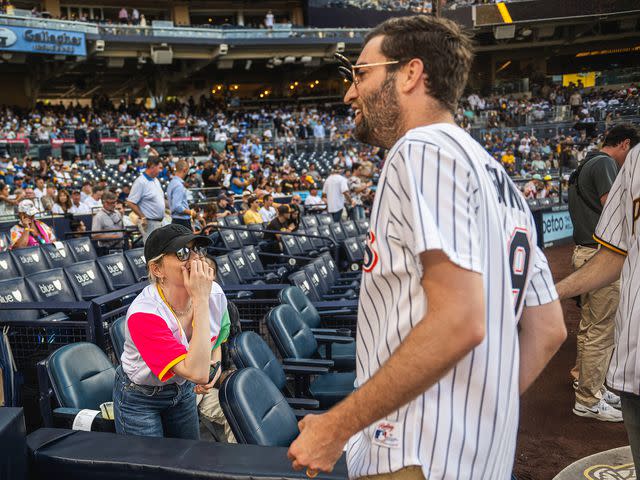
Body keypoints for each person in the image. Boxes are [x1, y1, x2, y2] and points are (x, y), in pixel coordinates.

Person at [286, 15, 566, 479]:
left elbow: (459, 319)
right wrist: (479, 414)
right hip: (480, 456)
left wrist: (336, 426)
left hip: (414, 452)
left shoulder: (420, 149)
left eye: (361, 74)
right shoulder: (502, 180)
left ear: (411, 73)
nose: (349, 93)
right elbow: (549, 328)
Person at [556, 143, 640, 473]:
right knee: (595, 330)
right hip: (634, 373)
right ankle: (590, 395)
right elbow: (614, 254)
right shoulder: (634, 161)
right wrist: (551, 293)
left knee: (594, 330)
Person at [114, 224, 230, 439]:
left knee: (187, 457)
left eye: (197, 250)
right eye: (183, 253)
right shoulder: (144, 314)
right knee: (151, 467)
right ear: (157, 269)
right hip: (141, 397)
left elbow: (217, 339)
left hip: (182, 390)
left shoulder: (214, 293)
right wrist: (200, 300)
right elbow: (196, 373)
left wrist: (215, 363)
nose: (195, 259)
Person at [127, 157, 166, 243]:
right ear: (152, 166)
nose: (161, 170)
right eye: (159, 167)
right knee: (152, 251)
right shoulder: (140, 181)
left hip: (160, 222)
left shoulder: (156, 180)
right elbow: (130, 202)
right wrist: (142, 216)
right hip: (149, 223)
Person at [167, 159, 196, 230]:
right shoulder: (178, 185)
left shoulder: (172, 183)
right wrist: (191, 212)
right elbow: (177, 206)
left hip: (176, 220)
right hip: (181, 221)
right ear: (185, 170)